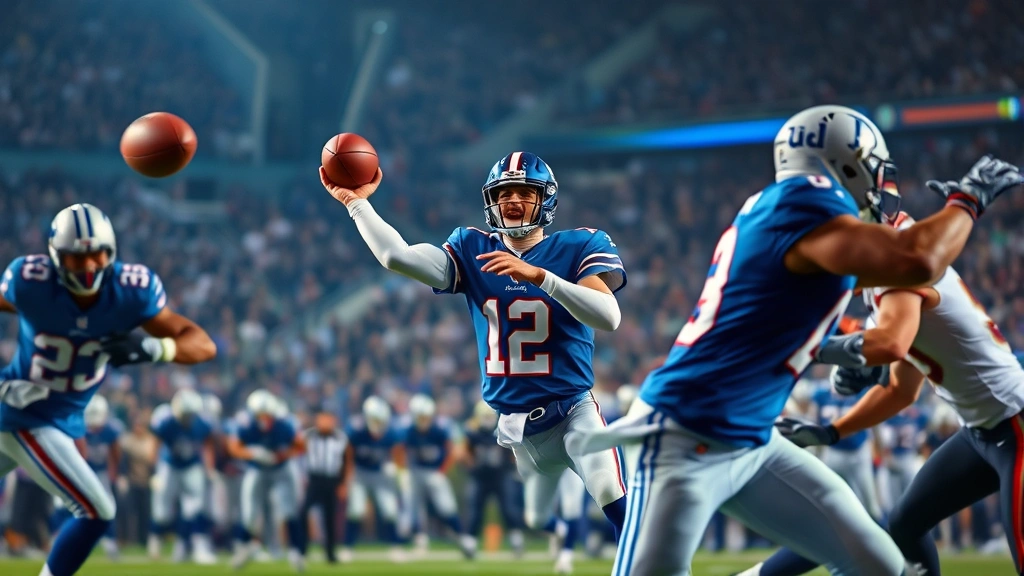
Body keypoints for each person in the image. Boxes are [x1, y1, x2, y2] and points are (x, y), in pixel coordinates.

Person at [575, 105, 1024, 576]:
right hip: (687, 431)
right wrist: (967, 199)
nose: (880, 184)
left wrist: (848, 351)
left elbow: (782, 321)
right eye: (872, 168)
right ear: (845, 164)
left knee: (880, 563)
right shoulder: (806, 201)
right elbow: (917, 259)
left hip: (751, 436)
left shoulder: (791, 216)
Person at [320, 150, 628, 575]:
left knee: (611, 490)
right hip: (519, 427)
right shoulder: (472, 247)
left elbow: (608, 316)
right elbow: (398, 257)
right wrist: (357, 203)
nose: (513, 201)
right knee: (537, 517)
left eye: (524, 192)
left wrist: (541, 277)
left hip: (573, 407)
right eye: (504, 193)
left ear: (547, 200)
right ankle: (561, 538)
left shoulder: (580, 246)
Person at [756, 209, 1024, 576]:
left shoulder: (899, 273)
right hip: (981, 432)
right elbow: (900, 390)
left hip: (1015, 423)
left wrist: (806, 344)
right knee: (905, 523)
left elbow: (891, 344)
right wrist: (830, 432)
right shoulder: (890, 279)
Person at [0, 202, 217, 576]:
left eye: (96, 255)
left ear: (111, 252)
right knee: (97, 510)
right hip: (24, 412)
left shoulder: (132, 291)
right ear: (55, 258)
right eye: (74, 258)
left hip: (60, 418)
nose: (87, 268)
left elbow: (201, 344)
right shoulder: (30, 282)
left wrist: (155, 347)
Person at [227, 391, 307, 572]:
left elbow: (301, 446)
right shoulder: (245, 424)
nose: (263, 419)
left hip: (282, 468)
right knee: (249, 514)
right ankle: (243, 549)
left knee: (289, 511)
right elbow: (233, 448)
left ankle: (297, 553)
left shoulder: (285, 424)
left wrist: (283, 455)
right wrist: (253, 453)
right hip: (257, 469)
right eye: (259, 415)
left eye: (267, 415)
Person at [147, 388, 218, 564]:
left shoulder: (202, 422)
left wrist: (209, 467)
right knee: (162, 510)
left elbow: (207, 444)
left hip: (192, 465)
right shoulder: (166, 420)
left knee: (194, 508)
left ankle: (188, 546)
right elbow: (154, 445)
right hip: (169, 465)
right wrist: (154, 471)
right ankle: (155, 540)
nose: (187, 418)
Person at [404, 393, 475, 558]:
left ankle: (463, 537)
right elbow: (400, 450)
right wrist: (405, 470)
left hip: (434, 471)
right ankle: (419, 540)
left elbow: (451, 450)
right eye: (421, 417)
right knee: (413, 507)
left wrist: (442, 470)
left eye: (427, 417)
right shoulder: (409, 431)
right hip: (416, 471)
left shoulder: (439, 429)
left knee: (446, 507)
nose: (424, 421)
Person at [341, 396, 405, 563]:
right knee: (355, 510)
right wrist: (348, 475)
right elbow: (348, 453)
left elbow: (397, 451)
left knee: (390, 510)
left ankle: (395, 546)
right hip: (360, 472)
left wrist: (396, 468)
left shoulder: (390, 432)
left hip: (380, 473)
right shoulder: (356, 429)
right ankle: (347, 547)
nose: (378, 424)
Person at [299, 409, 350, 564]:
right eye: (323, 419)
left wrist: (343, 483)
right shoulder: (308, 435)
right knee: (303, 512)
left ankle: (330, 553)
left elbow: (346, 461)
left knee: (330, 517)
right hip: (314, 479)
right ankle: (302, 548)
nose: (326, 422)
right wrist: (301, 477)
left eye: (329, 419)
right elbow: (298, 454)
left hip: (332, 479)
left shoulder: (340, 437)